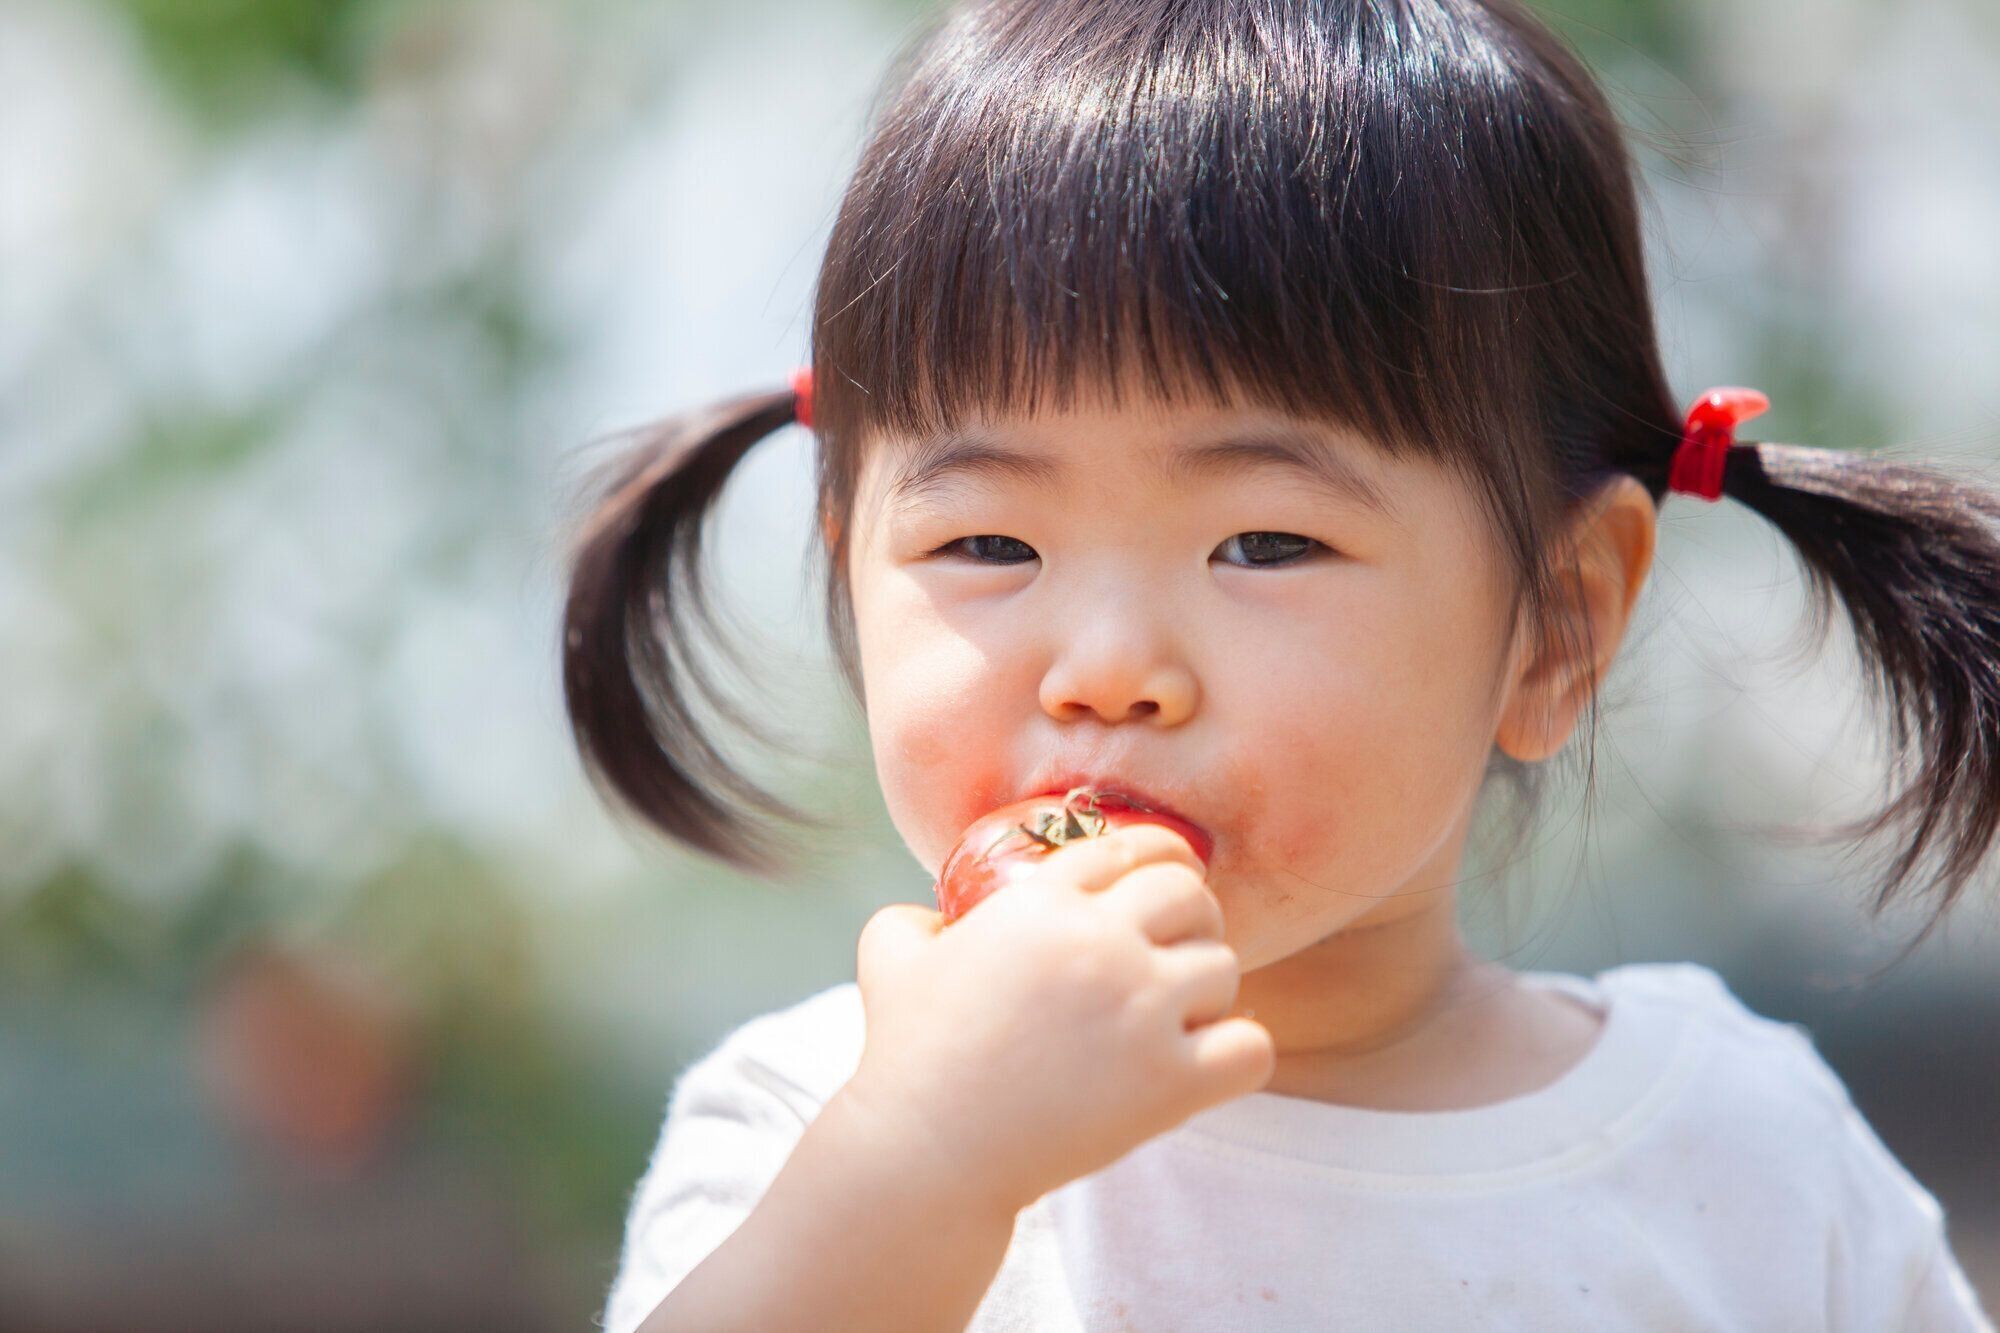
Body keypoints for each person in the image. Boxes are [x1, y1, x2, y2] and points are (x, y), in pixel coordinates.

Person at [558, 0, 2000, 1327]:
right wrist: (924, 1160)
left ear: (1555, 621)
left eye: (1262, 543)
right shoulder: (807, 1133)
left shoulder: (1741, 1161)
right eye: (989, 543)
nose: (1108, 671)